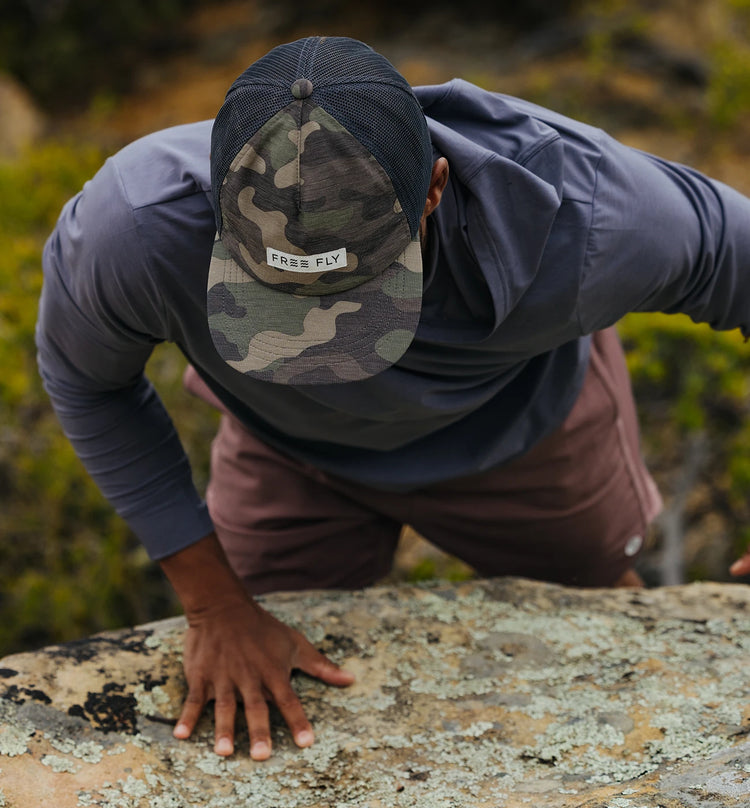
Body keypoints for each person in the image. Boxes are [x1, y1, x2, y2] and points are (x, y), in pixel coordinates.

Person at [37, 35, 750, 762]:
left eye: (356, 295)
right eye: (277, 301)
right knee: (250, 677)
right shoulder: (138, 225)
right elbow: (88, 381)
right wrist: (214, 602)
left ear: (434, 189)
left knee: (609, 624)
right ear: (217, 208)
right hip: (286, 448)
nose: (325, 342)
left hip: (526, 437)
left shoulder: (585, 213)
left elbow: (740, 256)